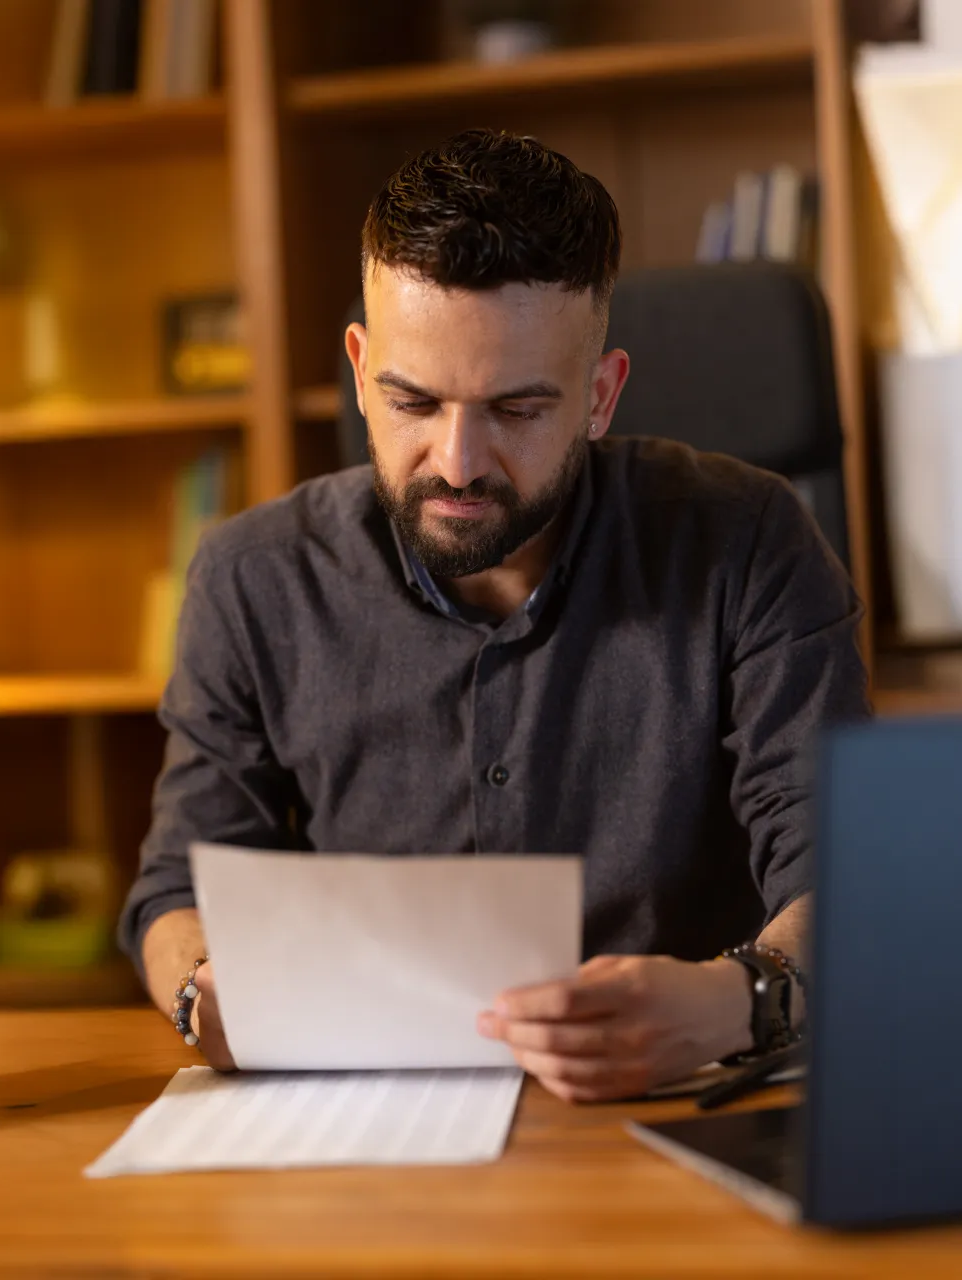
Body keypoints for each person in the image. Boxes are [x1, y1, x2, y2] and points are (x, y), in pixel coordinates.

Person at [120, 128, 868, 1102]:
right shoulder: (251, 578)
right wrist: (200, 989)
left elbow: (850, 878)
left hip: (688, 1105)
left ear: (599, 396)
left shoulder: (752, 542)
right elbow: (178, 886)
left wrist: (737, 1001)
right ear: (358, 369)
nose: (459, 459)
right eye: (413, 401)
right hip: (371, 1125)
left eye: (516, 409)